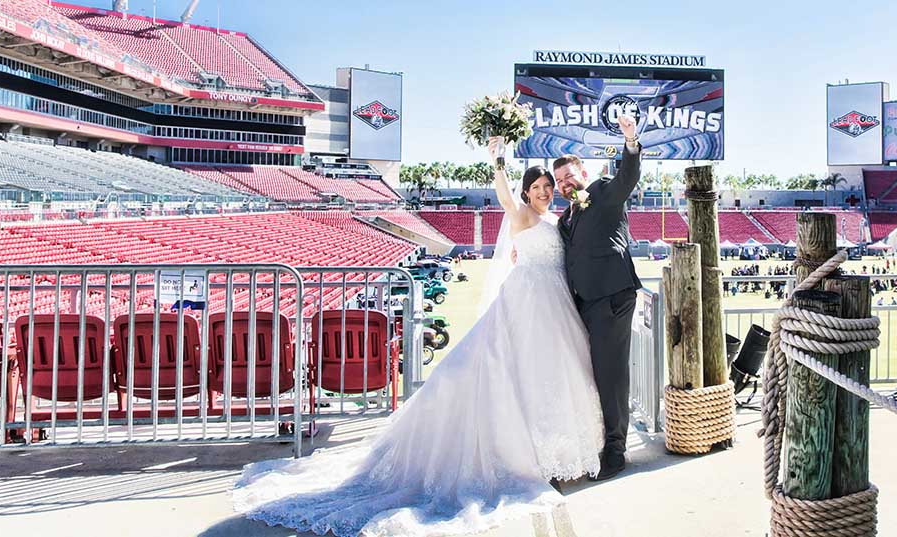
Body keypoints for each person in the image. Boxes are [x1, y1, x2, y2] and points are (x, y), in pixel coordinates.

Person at [232, 139, 605, 537]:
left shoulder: (556, 220)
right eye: (538, 188)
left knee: (551, 374)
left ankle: (557, 451)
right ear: (527, 192)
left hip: (555, 302)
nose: (545, 193)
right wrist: (497, 159)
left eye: (548, 187)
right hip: (528, 299)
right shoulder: (523, 216)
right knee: (512, 369)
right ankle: (527, 455)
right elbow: (503, 194)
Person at [556, 113, 642, 481]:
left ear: (584, 174)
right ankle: (601, 440)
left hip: (612, 296)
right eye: (559, 180)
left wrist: (631, 140)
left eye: (569, 176)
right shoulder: (566, 218)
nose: (564, 183)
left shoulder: (604, 192)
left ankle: (616, 451)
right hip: (586, 303)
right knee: (596, 374)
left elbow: (629, 177)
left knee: (611, 375)